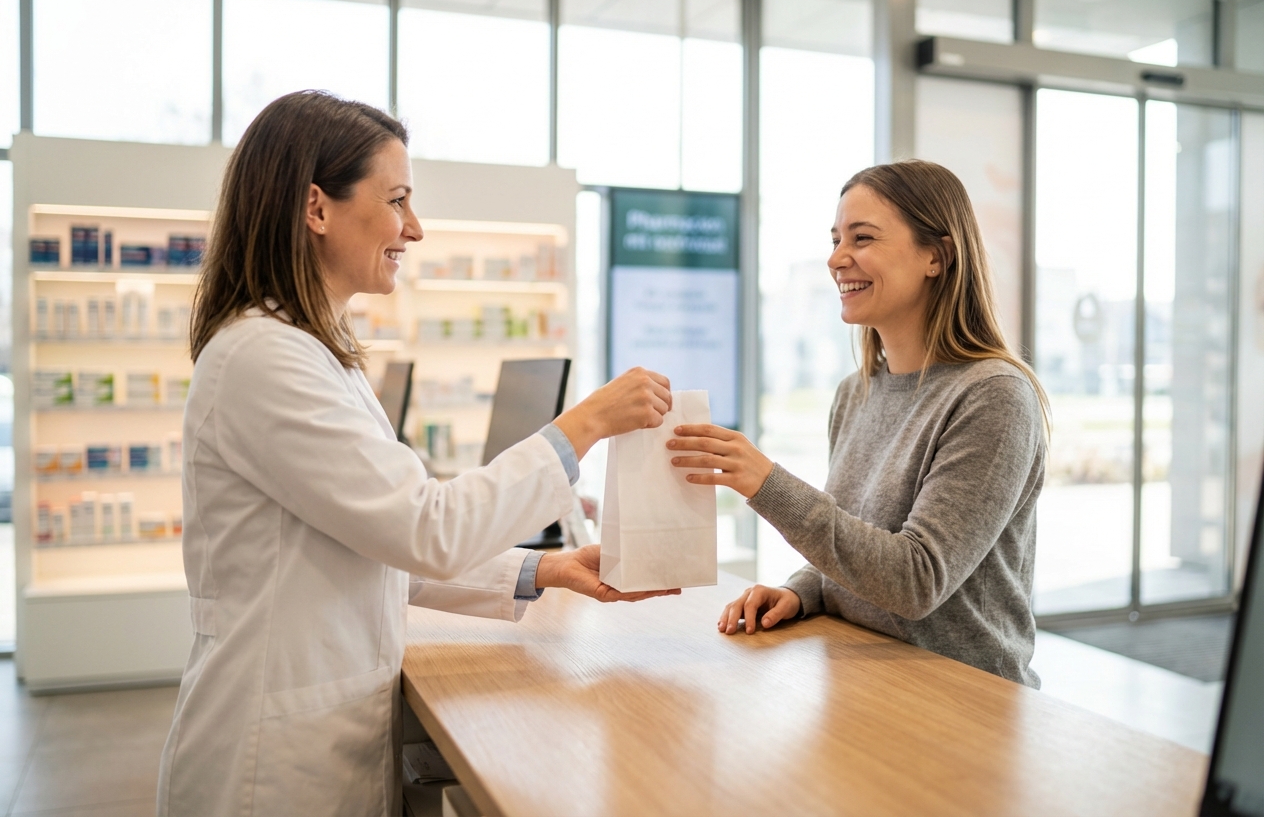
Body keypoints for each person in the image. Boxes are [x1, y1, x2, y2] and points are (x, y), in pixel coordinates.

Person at [157, 91, 678, 817]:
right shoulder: (263, 359)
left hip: (318, 727)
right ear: (316, 208)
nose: (415, 228)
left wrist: (546, 567)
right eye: (397, 199)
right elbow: (425, 528)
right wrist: (583, 426)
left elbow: (380, 546)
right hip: (272, 762)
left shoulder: (310, 354)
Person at [668, 160, 1049, 687]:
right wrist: (805, 590)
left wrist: (766, 483)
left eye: (862, 238)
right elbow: (857, 550)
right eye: (835, 239)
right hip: (866, 683)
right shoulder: (856, 392)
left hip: (966, 698)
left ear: (936, 256)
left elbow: (917, 580)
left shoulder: (994, 396)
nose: (836, 259)